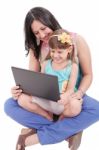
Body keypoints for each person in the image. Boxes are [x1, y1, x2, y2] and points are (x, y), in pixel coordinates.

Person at [4, 6, 99, 150]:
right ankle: (69, 131)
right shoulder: (36, 48)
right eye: (36, 32)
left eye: (43, 29)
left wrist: (77, 94)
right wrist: (19, 91)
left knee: (96, 109)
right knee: (9, 105)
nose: (41, 35)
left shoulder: (76, 40)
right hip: (48, 97)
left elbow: (88, 75)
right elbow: (34, 80)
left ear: (50, 21)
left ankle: (35, 136)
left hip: (71, 95)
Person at [17, 29, 83, 121]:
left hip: (63, 102)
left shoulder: (73, 66)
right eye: (52, 51)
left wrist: (64, 97)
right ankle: (46, 115)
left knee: (75, 106)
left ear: (69, 49)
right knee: (21, 99)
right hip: (47, 100)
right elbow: (41, 82)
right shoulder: (45, 64)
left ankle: (62, 117)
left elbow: (70, 89)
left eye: (60, 52)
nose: (55, 55)